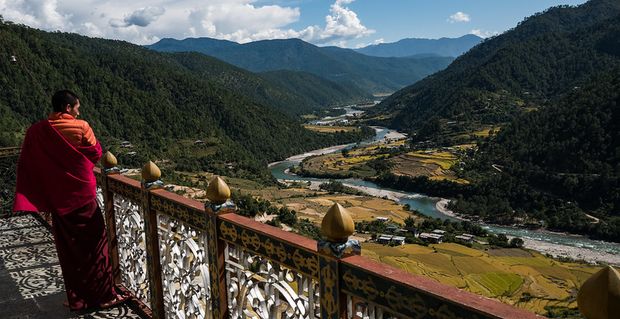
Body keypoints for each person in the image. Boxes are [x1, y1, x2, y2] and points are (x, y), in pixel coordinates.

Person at [13, 90, 126, 311]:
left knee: (69, 250)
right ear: (67, 108)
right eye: (76, 107)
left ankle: (78, 298)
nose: (78, 111)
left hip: (57, 198)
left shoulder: (37, 132)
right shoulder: (81, 126)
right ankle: (104, 296)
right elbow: (95, 153)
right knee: (95, 247)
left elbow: (31, 165)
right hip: (83, 195)